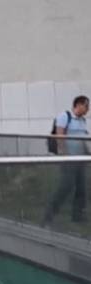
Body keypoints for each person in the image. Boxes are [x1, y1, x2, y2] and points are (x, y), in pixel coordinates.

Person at [45, 95, 90, 225]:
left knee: (81, 188)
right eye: (86, 106)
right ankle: (50, 213)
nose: (88, 109)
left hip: (80, 160)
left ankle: (78, 216)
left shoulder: (83, 121)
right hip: (69, 160)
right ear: (78, 105)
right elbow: (60, 136)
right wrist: (64, 154)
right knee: (65, 187)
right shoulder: (65, 116)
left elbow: (83, 139)